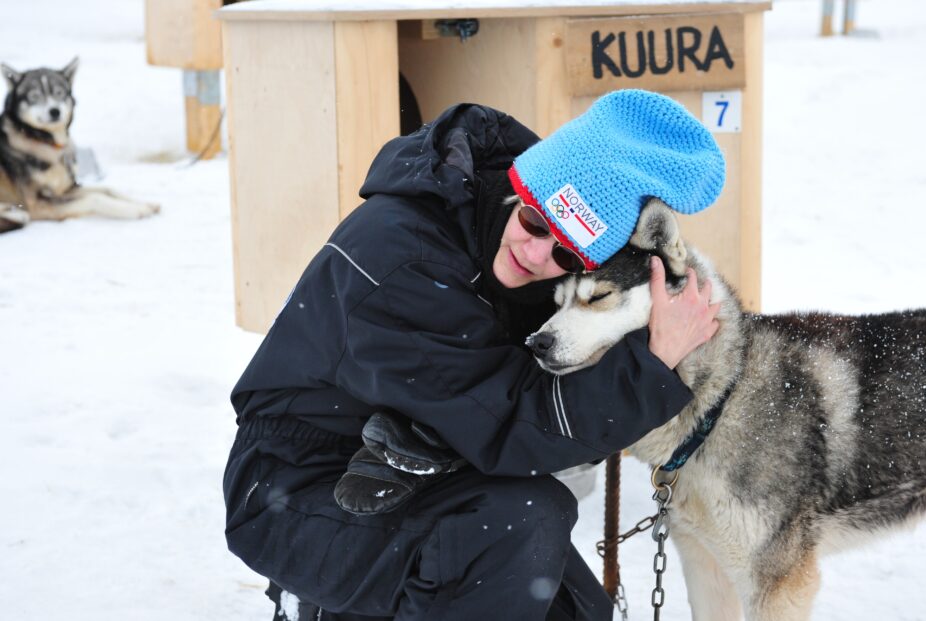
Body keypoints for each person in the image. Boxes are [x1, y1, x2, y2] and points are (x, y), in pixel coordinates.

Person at [223, 89, 725, 621]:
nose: (536, 255)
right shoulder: (403, 259)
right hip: (302, 486)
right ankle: (323, 606)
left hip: (427, 468)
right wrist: (653, 365)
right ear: (522, 187)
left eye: (565, 251)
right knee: (521, 522)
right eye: (534, 222)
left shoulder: (501, 238)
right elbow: (513, 423)